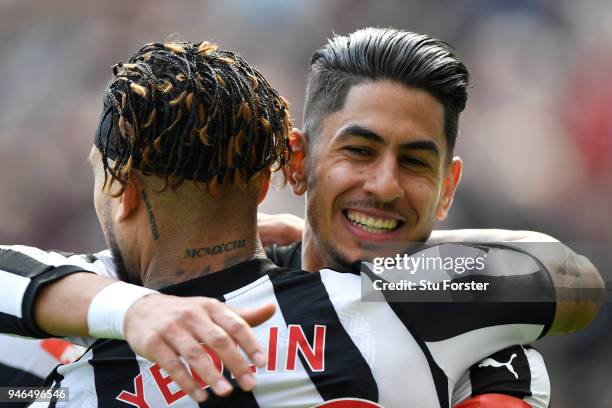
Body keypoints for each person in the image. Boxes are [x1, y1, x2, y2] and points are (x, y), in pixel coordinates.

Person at [0, 30, 603, 407]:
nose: (384, 186)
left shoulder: (431, 308)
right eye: (359, 151)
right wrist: (135, 308)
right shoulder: (440, 319)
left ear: (448, 188)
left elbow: (569, 276)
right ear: (292, 164)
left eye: (415, 163)